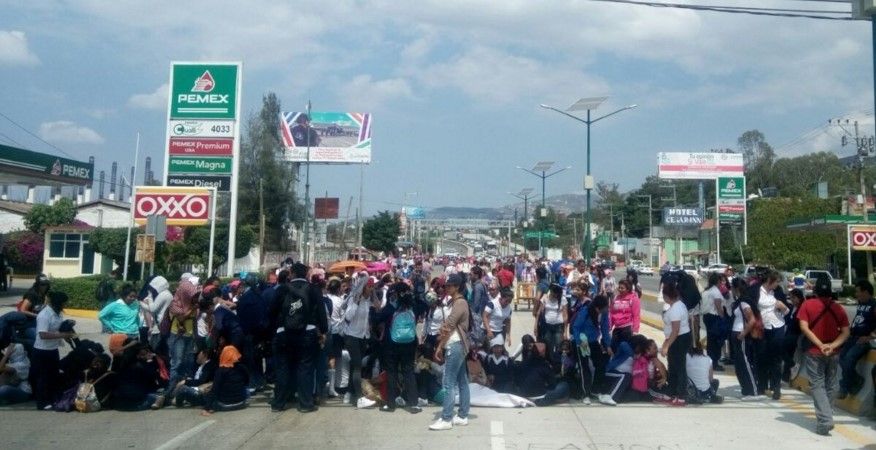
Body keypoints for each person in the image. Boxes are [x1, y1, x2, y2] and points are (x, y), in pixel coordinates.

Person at [269, 262, 328, 413]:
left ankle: (279, 402)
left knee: (283, 368)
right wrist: (323, 331)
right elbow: (322, 313)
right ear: (306, 274)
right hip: (307, 332)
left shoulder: (282, 289)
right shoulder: (313, 290)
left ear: (292, 274)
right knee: (305, 368)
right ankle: (305, 403)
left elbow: (272, 311)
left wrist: (274, 329)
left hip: (284, 333)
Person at [798, 277, 850, 436]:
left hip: (814, 351)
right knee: (831, 384)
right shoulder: (838, 308)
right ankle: (827, 415)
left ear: (816, 291)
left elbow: (804, 327)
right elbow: (846, 332)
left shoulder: (807, 304)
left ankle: (825, 420)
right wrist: (832, 346)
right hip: (833, 352)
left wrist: (820, 345)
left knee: (818, 385)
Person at [429, 273, 471, 431]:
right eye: (446, 286)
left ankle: (446, 418)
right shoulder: (455, 302)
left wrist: (439, 346)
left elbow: (449, 325)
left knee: (448, 383)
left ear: (457, 287)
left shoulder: (460, 303)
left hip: (454, 344)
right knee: (462, 381)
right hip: (457, 344)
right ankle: (462, 415)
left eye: (449, 286)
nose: (446, 288)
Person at [373, 282, 422, 413]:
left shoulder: (391, 307)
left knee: (392, 372)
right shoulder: (413, 307)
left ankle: (390, 404)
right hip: (410, 344)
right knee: (408, 372)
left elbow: (377, 319)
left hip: (392, 345)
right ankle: (413, 404)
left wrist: (376, 310)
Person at [32, 291, 73, 410]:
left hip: (53, 349)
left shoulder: (58, 313)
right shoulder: (44, 315)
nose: (65, 305)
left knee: (53, 375)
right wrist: (62, 335)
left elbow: (58, 328)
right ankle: (42, 403)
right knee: (42, 377)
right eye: (64, 303)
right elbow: (43, 335)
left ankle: (51, 399)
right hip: (41, 351)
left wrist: (67, 327)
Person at [838, 279, 876, 399]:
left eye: (858, 292)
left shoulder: (874, 305)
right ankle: (856, 380)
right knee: (841, 358)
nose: (856, 294)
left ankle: (844, 387)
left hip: (863, 341)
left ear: (865, 292)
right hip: (852, 337)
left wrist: (869, 337)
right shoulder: (861, 303)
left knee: (849, 359)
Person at [571, 294, 611, 405]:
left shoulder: (604, 314)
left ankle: (594, 390)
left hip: (593, 342)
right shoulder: (585, 311)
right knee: (585, 369)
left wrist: (608, 345)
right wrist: (580, 342)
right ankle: (585, 394)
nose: (606, 309)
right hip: (582, 342)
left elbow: (605, 329)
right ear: (597, 307)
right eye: (604, 308)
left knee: (601, 365)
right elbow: (576, 327)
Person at [755, 270, 789, 400]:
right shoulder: (757, 292)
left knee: (776, 359)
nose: (777, 285)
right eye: (776, 282)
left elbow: (787, 311)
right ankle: (762, 385)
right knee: (762, 356)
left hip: (777, 325)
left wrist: (783, 307)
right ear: (770, 281)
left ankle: (776, 387)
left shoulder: (778, 292)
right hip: (763, 327)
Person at [730, 278, 762, 400]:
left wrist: (743, 333)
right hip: (736, 333)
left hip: (741, 334)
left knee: (745, 363)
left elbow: (752, 319)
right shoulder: (739, 301)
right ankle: (746, 389)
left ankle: (753, 391)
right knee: (739, 364)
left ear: (736, 289)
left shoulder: (744, 302)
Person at [660, 280, 690, 406]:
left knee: (679, 367)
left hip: (679, 339)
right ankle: (671, 392)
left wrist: (666, 345)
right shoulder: (678, 305)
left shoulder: (676, 309)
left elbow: (675, 330)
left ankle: (681, 395)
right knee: (672, 366)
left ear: (667, 296)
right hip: (677, 338)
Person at [111, 341, 163, 411]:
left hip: (118, 404)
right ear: (137, 355)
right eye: (143, 354)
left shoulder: (124, 364)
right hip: (136, 403)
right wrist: (150, 362)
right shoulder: (140, 366)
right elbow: (152, 379)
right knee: (161, 395)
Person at [202, 345, 249, 415]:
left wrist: (206, 409)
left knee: (205, 395)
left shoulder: (220, 371)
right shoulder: (242, 368)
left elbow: (215, 390)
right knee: (247, 391)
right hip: (242, 403)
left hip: (225, 405)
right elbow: (246, 382)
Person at [702, 272, 728, 371]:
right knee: (716, 341)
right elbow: (718, 307)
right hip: (714, 318)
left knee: (711, 340)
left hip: (707, 317)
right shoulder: (716, 292)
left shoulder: (707, 291)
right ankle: (715, 362)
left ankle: (711, 361)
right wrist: (723, 318)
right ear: (717, 281)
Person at [534, 283, 568, 358]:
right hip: (547, 326)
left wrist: (565, 331)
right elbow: (539, 313)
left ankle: (558, 363)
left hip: (558, 326)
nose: (554, 295)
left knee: (559, 345)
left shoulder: (563, 299)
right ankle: (550, 362)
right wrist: (536, 325)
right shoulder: (545, 297)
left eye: (556, 294)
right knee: (548, 346)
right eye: (553, 293)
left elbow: (565, 316)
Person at [609, 279, 640, 352]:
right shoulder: (616, 298)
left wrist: (635, 330)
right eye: (619, 287)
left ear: (628, 288)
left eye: (622, 288)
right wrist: (609, 326)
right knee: (614, 349)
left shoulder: (634, 299)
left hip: (627, 329)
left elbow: (636, 316)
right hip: (617, 329)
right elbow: (611, 312)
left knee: (624, 351)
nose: (620, 289)